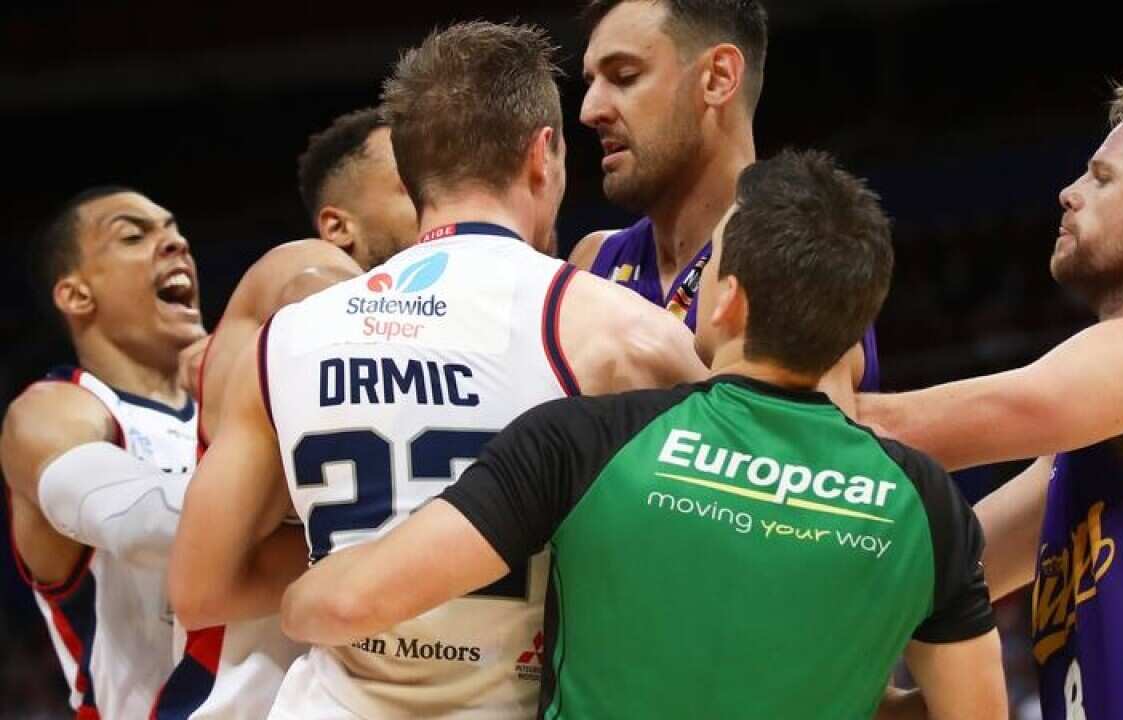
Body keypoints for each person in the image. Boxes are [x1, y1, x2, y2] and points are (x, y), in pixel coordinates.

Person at [279, 150, 1008, 720]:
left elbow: (351, 604)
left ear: (728, 302)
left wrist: (297, 600)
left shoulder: (586, 443)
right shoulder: (928, 506)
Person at [170, 20, 706, 719]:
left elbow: (200, 587)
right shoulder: (619, 330)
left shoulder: (286, 340)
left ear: (414, 172)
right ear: (542, 155)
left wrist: (367, 550)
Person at [858, 78, 1123, 718]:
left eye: (1101, 177)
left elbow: (903, 429)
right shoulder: (1084, 463)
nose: (1068, 192)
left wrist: (704, 402)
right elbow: (921, 578)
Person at [157, 108, 418, 719]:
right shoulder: (303, 271)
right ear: (338, 226)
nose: (438, 202)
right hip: (235, 697)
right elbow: (314, 287)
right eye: (411, 187)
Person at [574, 0, 880, 389]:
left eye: (625, 76)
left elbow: (799, 442)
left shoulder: (798, 259)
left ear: (718, 78)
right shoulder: (593, 260)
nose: (589, 110)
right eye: (590, 83)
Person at [1, 187, 204, 719]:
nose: (175, 243)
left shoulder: (241, 399)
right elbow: (138, 525)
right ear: (76, 296)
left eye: (173, 228)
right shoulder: (54, 413)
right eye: (134, 236)